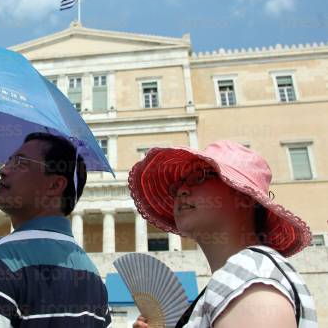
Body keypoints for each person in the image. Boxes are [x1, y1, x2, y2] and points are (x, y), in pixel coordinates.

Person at [128, 140, 317, 328]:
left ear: (243, 195)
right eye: (177, 186)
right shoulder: (242, 277)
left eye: (198, 176)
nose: (181, 191)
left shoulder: (252, 276)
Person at [0, 132, 112, 327]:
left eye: (20, 162)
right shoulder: (93, 276)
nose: (3, 170)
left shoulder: (1, 258)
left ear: (55, 185)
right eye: (9, 161)